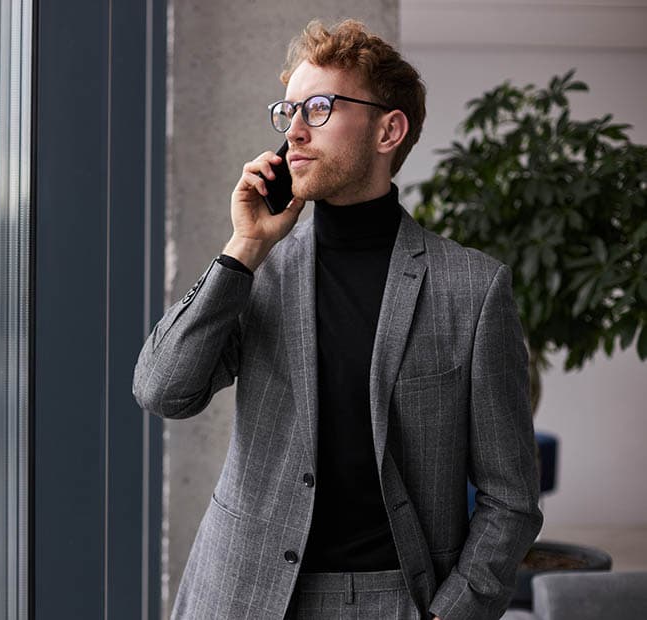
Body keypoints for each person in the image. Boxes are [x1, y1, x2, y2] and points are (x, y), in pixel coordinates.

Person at [133, 18, 542, 620]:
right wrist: (244, 246)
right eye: (288, 111)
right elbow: (163, 390)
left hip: (396, 600)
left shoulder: (472, 290)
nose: (294, 131)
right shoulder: (258, 270)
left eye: (319, 108)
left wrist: (452, 612)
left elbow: (511, 497)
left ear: (388, 130)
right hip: (241, 593)